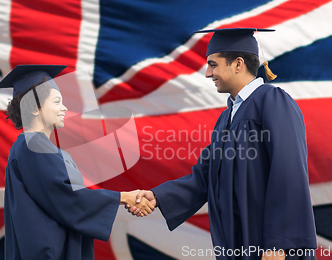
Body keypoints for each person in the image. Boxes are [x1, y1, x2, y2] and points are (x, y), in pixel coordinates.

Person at [130, 29, 318, 260]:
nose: (208, 73)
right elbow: (204, 176)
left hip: (269, 245)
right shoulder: (227, 117)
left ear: (237, 64)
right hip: (236, 243)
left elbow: (289, 171)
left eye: (213, 64)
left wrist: (280, 243)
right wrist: (158, 196)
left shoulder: (272, 101)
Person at [0, 65, 154, 260]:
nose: (64, 108)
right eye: (56, 101)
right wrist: (123, 197)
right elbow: (65, 195)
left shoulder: (43, 148)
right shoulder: (32, 145)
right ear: (34, 108)